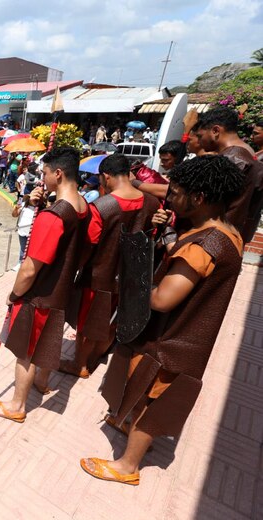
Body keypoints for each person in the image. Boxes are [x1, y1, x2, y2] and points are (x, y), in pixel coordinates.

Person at [81, 155, 245, 486]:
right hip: (178, 334)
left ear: (198, 198)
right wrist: (169, 232)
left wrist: (133, 277)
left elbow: (162, 298)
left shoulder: (206, 245)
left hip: (175, 339)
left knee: (153, 398)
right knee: (143, 387)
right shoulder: (224, 232)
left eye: (177, 192)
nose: (170, 197)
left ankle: (128, 466)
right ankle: (127, 425)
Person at [0, 147, 90, 422]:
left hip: (39, 294)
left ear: (58, 173)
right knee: (46, 340)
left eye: (44, 173)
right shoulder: (83, 206)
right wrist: (38, 206)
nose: (42, 179)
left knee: (25, 351)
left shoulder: (53, 216)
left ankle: (17, 405)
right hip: (61, 288)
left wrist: (14, 293)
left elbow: (30, 268)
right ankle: (42, 382)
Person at [59, 153, 160, 379]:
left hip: (100, 276)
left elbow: (88, 245)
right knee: (114, 319)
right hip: (133, 276)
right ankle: (97, 355)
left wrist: (75, 269)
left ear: (106, 177)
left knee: (88, 323)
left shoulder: (102, 207)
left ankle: (81, 365)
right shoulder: (152, 203)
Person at [193, 106, 263, 243]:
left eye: (200, 136)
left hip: (214, 239)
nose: (199, 142)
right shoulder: (244, 156)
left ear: (215, 131)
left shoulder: (231, 161)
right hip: (229, 238)